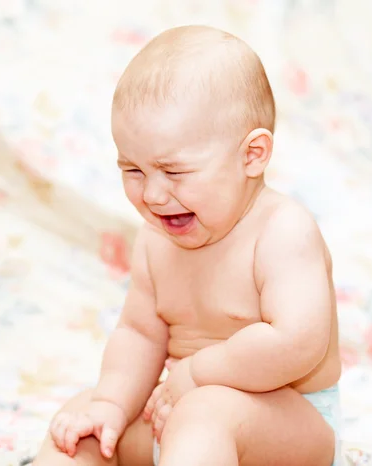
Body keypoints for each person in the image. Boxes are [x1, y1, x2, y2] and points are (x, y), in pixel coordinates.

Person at [33, 24, 342, 466]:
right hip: (179, 416)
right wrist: (111, 406)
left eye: (173, 171)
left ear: (251, 156)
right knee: (81, 420)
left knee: (205, 413)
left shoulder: (281, 231)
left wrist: (197, 374)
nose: (153, 195)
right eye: (132, 171)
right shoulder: (155, 239)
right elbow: (139, 332)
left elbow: (296, 343)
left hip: (285, 427)